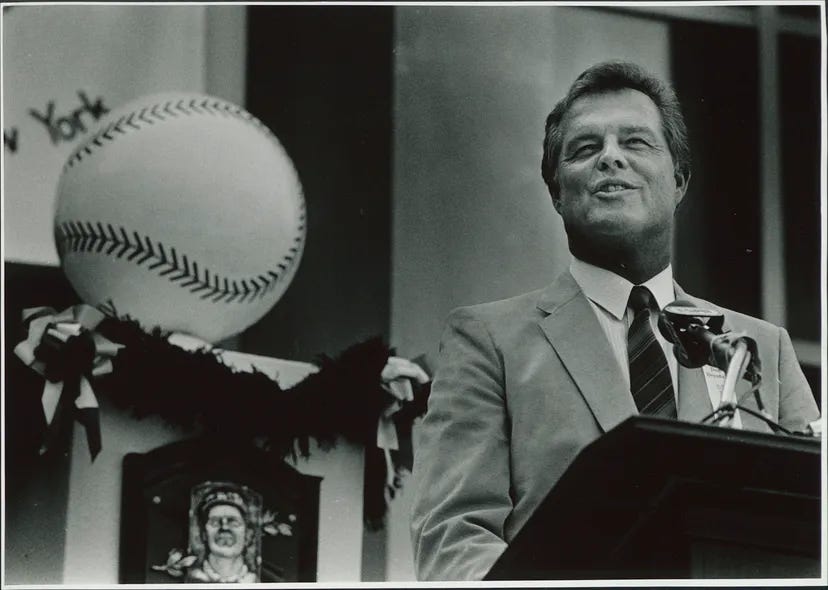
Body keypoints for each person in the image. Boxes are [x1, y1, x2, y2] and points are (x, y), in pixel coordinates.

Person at [409, 61, 820, 581]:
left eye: (636, 142)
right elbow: (454, 538)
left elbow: (813, 524)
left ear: (680, 180)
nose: (610, 158)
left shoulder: (759, 346)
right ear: (557, 192)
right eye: (584, 149)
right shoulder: (487, 341)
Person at [188, 486, 258, 583]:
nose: (224, 527)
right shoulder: (189, 579)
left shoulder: (268, 581)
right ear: (203, 533)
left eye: (233, 522)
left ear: (247, 534)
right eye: (215, 522)